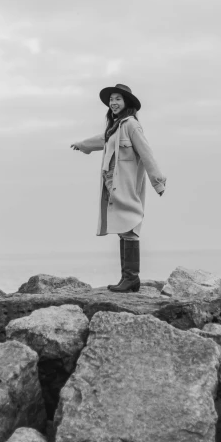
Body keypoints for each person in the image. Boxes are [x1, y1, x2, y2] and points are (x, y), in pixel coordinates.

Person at [71, 83, 166, 293]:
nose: (113, 103)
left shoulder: (132, 125)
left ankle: (131, 278)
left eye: (118, 99)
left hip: (127, 185)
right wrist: (82, 145)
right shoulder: (116, 126)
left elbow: (147, 153)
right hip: (112, 186)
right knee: (124, 230)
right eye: (111, 99)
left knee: (130, 227)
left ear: (127, 103)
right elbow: (102, 140)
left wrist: (158, 182)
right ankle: (129, 279)